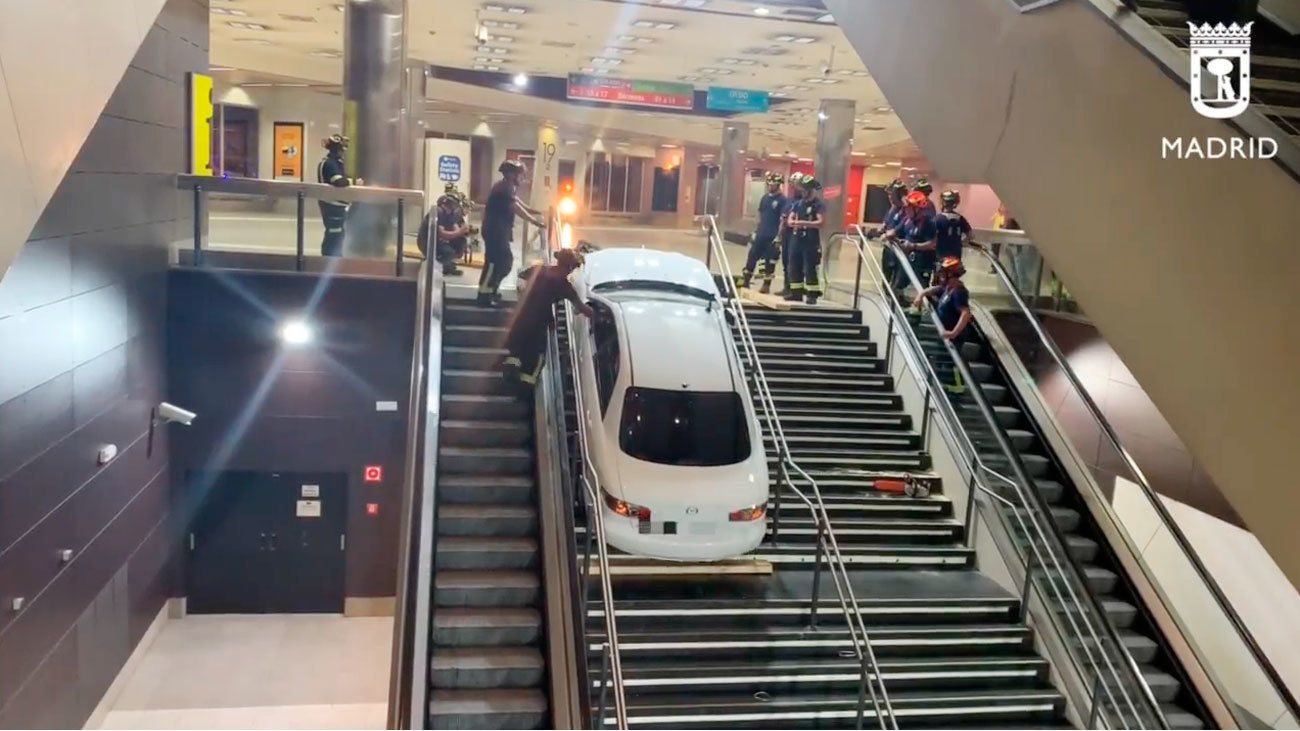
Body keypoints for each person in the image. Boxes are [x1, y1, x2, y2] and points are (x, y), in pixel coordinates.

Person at [501, 248, 594, 394]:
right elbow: (581, 307)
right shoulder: (563, 285)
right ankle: (524, 390)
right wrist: (598, 315)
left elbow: (521, 275)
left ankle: (510, 370)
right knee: (537, 359)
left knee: (517, 351)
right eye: (573, 267)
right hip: (537, 327)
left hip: (520, 319)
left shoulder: (539, 270)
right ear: (569, 266)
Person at [479, 159, 545, 307]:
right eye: (520, 175)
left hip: (497, 230)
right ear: (510, 174)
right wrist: (535, 221)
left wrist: (534, 211)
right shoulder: (504, 188)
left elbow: (519, 203)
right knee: (501, 262)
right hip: (495, 231)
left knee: (497, 263)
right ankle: (485, 295)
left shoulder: (507, 187)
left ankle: (490, 291)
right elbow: (516, 208)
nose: (523, 178)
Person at [913, 256, 973, 393]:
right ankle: (948, 384)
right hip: (945, 332)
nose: (940, 276)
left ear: (951, 274)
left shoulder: (958, 292)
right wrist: (920, 295)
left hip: (953, 334)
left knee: (952, 361)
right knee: (942, 359)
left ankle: (958, 387)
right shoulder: (947, 289)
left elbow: (965, 313)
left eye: (942, 273)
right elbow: (932, 290)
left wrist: (953, 333)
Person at [741, 172, 788, 294]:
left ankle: (766, 285)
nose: (770, 187)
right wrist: (755, 230)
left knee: (770, 261)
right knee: (752, 256)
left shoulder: (783, 200)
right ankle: (745, 282)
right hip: (761, 233)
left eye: (773, 185)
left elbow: (783, 219)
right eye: (769, 184)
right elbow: (760, 214)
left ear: (778, 185)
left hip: (772, 235)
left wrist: (779, 236)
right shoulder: (765, 198)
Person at [784, 175, 826, 305]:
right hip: (796, 239)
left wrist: (803, 223)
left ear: (810, 190)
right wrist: (794, 222)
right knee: (794, 265)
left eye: (804, 190)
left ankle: (812, 294)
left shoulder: (818, 205)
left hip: (811, 241)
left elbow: (820, 222)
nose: (802, 192)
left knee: (810, 267)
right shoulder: (798, 203)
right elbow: (790, 220)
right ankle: (796, 293)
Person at [316, 135, 361, 257]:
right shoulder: (330, 164)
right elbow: (338, 181)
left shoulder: (329, 162)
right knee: (335, 233)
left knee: (336, 232)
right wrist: (354, 182)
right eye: (342, 149)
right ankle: (330, 258)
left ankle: (331, 257)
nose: (343, 152)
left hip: (333, 204)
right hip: (333, 205)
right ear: (338, 150)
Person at [896, 190, 938, 289]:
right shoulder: (907, 220)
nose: (906, 210)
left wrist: (913, 246)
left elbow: (933, 244)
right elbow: (896, 231)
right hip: (908, 260)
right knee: (898, 286)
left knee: (923, 289)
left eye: (909, 207)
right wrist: (889, 234)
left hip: (923, 263)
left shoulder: (929, 223)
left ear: (917, 209)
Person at [934, 189, 973, 282]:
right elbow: (970, 235)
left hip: (941, 256)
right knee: (954, 280)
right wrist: (961, 243)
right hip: (956, 256)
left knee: (940, 282)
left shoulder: (938, 219)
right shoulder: (960, 218)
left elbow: (933, 237)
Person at [777, 175, 804, 298]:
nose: (794, 186)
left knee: (795, 263)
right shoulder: (789, 200)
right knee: (785, 261)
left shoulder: (806, 201)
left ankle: (796, 290)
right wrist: (779, 235)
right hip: (787, 233)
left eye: (796, 184)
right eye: (792, 183)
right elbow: (783, 218)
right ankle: (787, 287)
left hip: (799, 235)